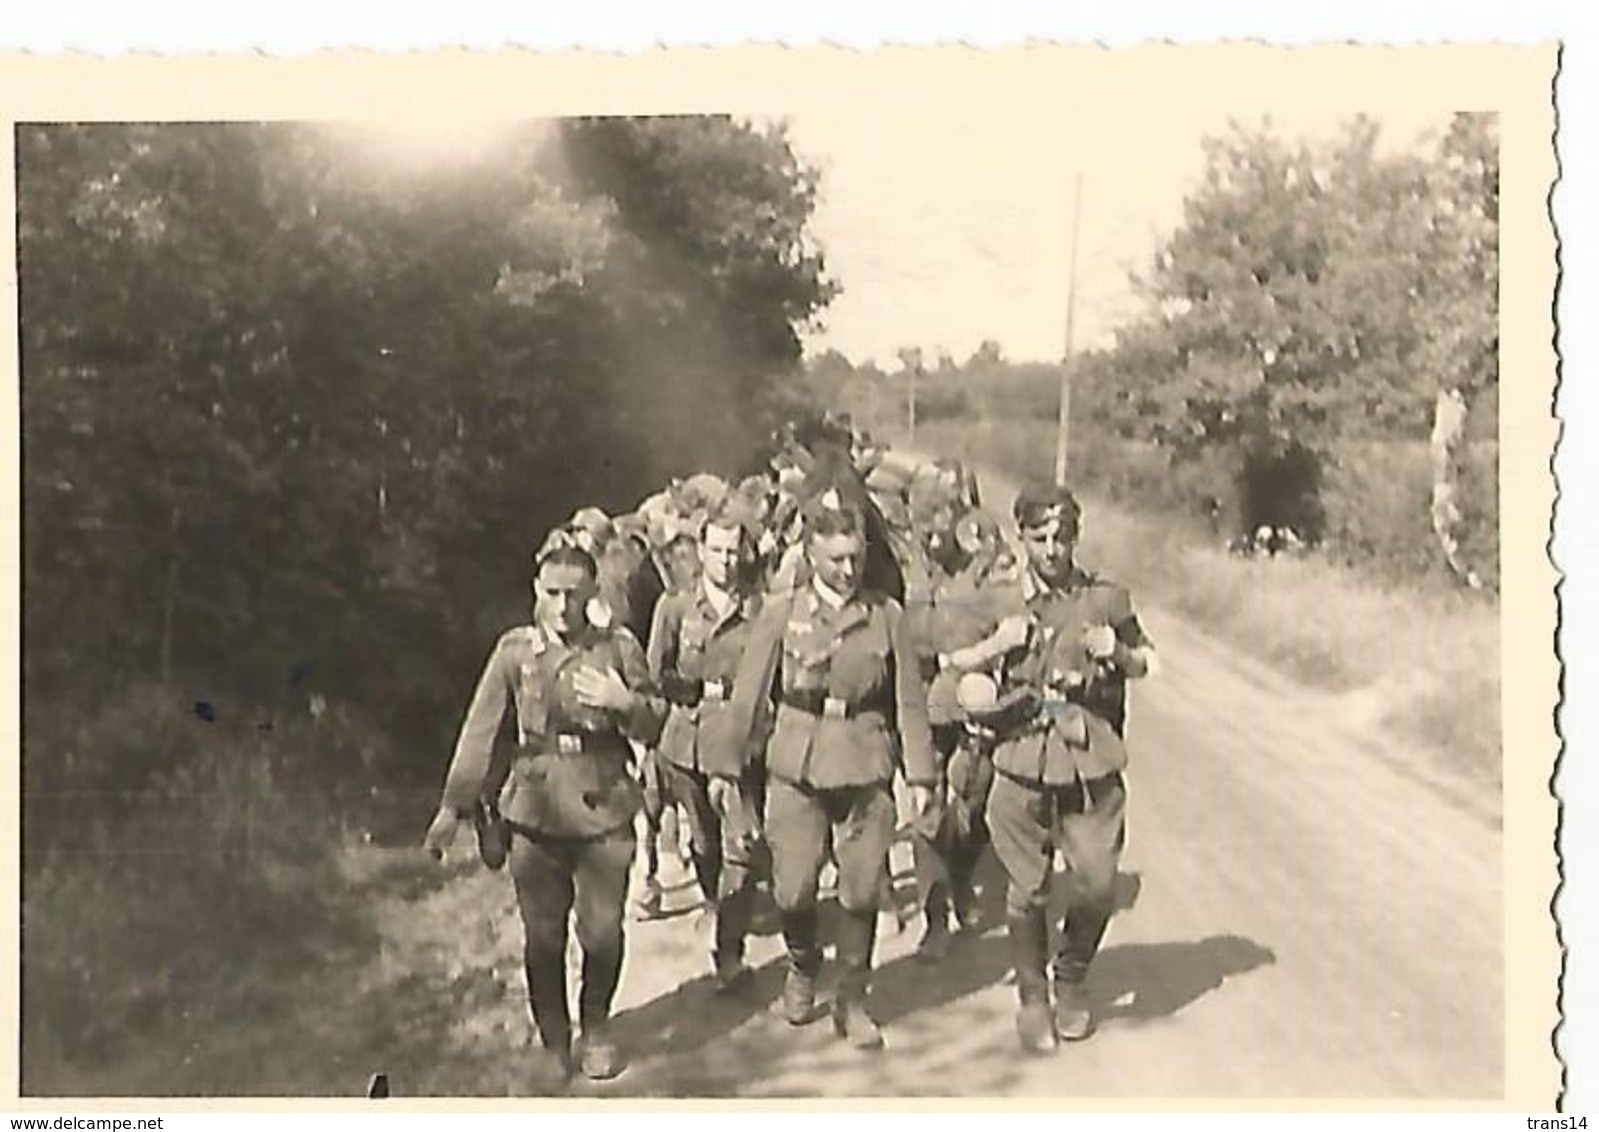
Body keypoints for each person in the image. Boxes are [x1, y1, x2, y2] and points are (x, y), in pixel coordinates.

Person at [422, 543, 667, 1082]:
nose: (561, 606)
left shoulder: (618, 648)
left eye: (573, 595)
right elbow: (481, 730)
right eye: (552, 594)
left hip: (603, 804)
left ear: (592, 594)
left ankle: (596, 1025)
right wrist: (454, 806)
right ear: (537, 591)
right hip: (534, 809)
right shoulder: (516, 652)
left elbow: (655, 723)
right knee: (544, 935)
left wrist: (624, 702)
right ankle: (555, 1040)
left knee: (602, 932)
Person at [712, 488, 938, 1050]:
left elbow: (908, 699)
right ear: (810, 554)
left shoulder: (886, 615)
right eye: (836, 558)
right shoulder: (782, 613)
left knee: (861, 892)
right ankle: (803, 961)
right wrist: (726, 768)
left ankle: (853, 997)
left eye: (856, 557)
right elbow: (748, 698)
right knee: (793, 889)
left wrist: (922, 776)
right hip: (797, 764)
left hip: (865, 763)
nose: (847, 568)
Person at [943, 484, 1156, 1053]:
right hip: (1018, 756)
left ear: (1076, 538)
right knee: (1027, 889)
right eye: (1040, 537)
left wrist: (1118, 651)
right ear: (1022, 536)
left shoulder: (1105, 599)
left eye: (1063, 537)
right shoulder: (996, 600)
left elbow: (1148, 661)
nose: (1053, 548)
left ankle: (1073, 974)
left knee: (1097, 883)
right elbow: (949, 663)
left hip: (1088, 756)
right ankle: (1034, 997)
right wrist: (996, 647)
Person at [645, 499, 770, 991]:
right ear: (700, 551)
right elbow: (656, 673)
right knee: (703, 841)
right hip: (685, 738)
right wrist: (680, 691)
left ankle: (730, 951)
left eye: (733, 551)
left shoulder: (760, 609)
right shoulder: (674, 607)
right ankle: (714, 902)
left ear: (744, 554)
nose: (725, 560)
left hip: (738, 736)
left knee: (741, 842)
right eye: (716, 550)